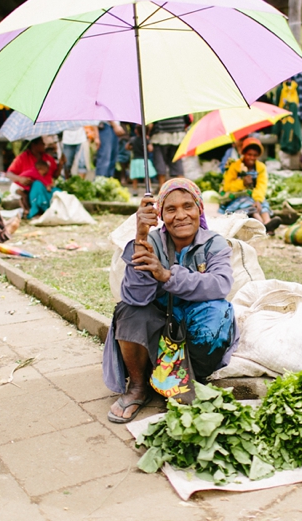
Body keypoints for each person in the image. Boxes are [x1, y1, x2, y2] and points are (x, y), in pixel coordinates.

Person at [102, 179, 238, 423]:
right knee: (129, 310)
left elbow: (220, 285)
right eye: (171, 209)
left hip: (194, 327)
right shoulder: (151, 240)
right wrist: (140, 237)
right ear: (161, 214)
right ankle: (138, 386)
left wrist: (166, 275)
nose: (181, 215)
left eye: (188, 206)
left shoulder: (213, 243)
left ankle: (189, 379)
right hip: (158, 327)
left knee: (219, 314)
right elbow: (134, 296)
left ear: (199, 209)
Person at [220, 137, 282, 234]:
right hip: (238, 197)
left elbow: (262, 185)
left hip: (255, 195)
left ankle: (268, 222)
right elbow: (227, 186)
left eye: (255, 155)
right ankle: (262, 226)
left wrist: (257, 199)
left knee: (262, 205)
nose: (252, 158)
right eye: (249, 155)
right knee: (250, 205)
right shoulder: (234, 166)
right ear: (244, 153)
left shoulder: (261, 167)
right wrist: (242, 183)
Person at [6, 137, 59, 217]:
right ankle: (31, 211)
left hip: (46, 190)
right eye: (42, 143)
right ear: (33, 145)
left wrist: (61, 164)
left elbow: (55, 175)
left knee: (57, 192)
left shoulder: (48, 158)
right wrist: (20, 179)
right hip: (25, 189)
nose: (44, 145)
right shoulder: (22, 158)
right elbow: (8, 174)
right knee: (36, 186)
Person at [148, 116, 188, 188]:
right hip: (177, 134)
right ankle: (182, 188)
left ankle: (162, 187)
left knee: (160, 161)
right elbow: (188, 119)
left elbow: (151, 121)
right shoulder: (181, 104)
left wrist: (147, 134)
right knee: (177, 160)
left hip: (160, 135)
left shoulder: (157, 105)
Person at [126, 125, 156, 196]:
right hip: (144, 160)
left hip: (135, 160)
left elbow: (127, 147)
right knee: (147, 176)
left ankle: (135, 190)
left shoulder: (133, 139)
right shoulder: (146, 140)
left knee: (135, 177)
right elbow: (150, 149)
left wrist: (131, 147)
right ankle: (149, 189)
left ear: (136, 131)